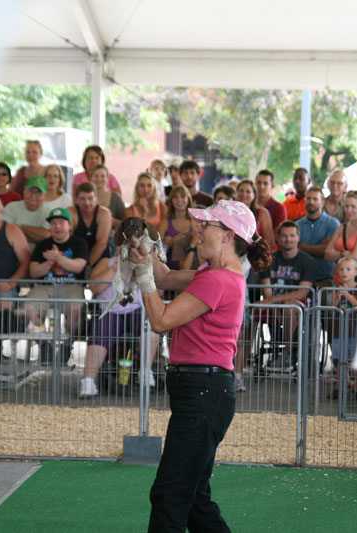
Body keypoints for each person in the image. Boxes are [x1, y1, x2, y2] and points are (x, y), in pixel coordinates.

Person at [126, 199, 272, 531]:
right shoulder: (215, 274)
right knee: (193, 497)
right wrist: (148, 250)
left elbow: (161, 319)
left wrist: (144, 273)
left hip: (202, 392)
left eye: (208, 226)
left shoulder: (217, 280)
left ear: (228, 235)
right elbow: (166, 278)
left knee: (171, 494)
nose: (199, 230)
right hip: (204, 392)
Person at [78, 256, 160, 398]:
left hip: (137, 307)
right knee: (99, 334)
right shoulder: (106, 262)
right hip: (109, 308)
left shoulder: (145, 261)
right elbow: (94, 288)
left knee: (151, 326)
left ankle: (146, 371)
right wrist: (113, 270)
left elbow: (157, 289)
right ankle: (88, 381)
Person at [259, 221, 317, 368]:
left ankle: (288, 352)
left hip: (299, 305)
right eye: (284, 236)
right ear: (278, 238)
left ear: (298, 237)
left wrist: (272, 301)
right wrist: (271, 303)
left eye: (292, 235)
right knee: (256, 311)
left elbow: (302, 293)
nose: (288, 239)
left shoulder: (307, 261)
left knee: (289, 308)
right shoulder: (269, 259)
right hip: (273, 303)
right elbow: (266, 289)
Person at [27, 207, 88, 336]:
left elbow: (78, 267)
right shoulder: (42, 245)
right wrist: (49, 262)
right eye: (54, 223)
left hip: (72, 287)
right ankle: (42, 336)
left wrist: (57, 258)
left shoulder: (79, 243)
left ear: (69, 226)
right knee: (28, 308)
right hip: (45, 287)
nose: (57, 226)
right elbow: (33, 272)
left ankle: (69, 339)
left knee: (76, 309)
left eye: (61, 223)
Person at [324, 190, 357, 284]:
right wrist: (343, 253)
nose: (348, 210)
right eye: (346, 206)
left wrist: (336, 255)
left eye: (353, 207)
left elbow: (354, 258)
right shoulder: (342, 227)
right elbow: (327, 254)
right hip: (339, 277)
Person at [297, 186, 341, 288]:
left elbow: (327, 251)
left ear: (322, 202)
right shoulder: (298, 225)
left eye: (315, 199)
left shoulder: (333, 223)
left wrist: (302, 246)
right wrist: (318, 247)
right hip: (302, 279)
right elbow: (293, 250)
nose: (311, 202)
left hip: (326, 279)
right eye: (308, 198)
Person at [328, 256, 357, 397]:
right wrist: (336, 296)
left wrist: (346, 294)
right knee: (340, 360)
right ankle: (339, 387)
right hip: (339, 329)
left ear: (356, 272)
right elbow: (332, 308)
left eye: (348, 269)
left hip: (355, 329)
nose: (344, 272)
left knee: (355, 360)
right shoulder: (336, 289)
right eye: (341, 269)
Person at [1, 175, 51, 251]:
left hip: (39, 257)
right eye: (30, 190)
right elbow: (5, 234)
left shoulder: (49, 212)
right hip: (12, 255)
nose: (33, 195)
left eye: (39, 193)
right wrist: (37, 237)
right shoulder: (11, 207)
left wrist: (19, 226)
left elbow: (46, 236)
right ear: (24, 190)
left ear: (45, 195)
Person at [73, 182, 113, 269]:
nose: (87, 203)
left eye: (90, 198)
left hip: (99, 260)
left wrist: (85, 266)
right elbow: (65, 238)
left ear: (96, 199)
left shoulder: (103, 213)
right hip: (77, 260)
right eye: (82, 199)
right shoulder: (71, 212)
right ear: (76, 199)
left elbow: (101, 243)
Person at [159, 185, 194, 271]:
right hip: (169, 268)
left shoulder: (194, 221)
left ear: (188, 199)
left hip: (191, 267)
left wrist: (174, 240)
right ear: (171, 201)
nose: (179, 200)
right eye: (175, 197)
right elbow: (157, 248)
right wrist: (170, 243)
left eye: (183, 197)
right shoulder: (165, 222)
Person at [237, 179, 275, 246]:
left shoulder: (262, 213)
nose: (244, 194)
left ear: (254, 195)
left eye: (248, 191)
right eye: (241, 191)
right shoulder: (230, 212)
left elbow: (269, 242)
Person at [90, 164, 126, 231]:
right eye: (96, 176)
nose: (99, 178)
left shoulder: (116, 198)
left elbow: (125, 225)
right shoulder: (85, 196)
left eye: (102, 176)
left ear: (107, 179)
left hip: (111, 238)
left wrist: (108, 219)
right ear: (91, 178)